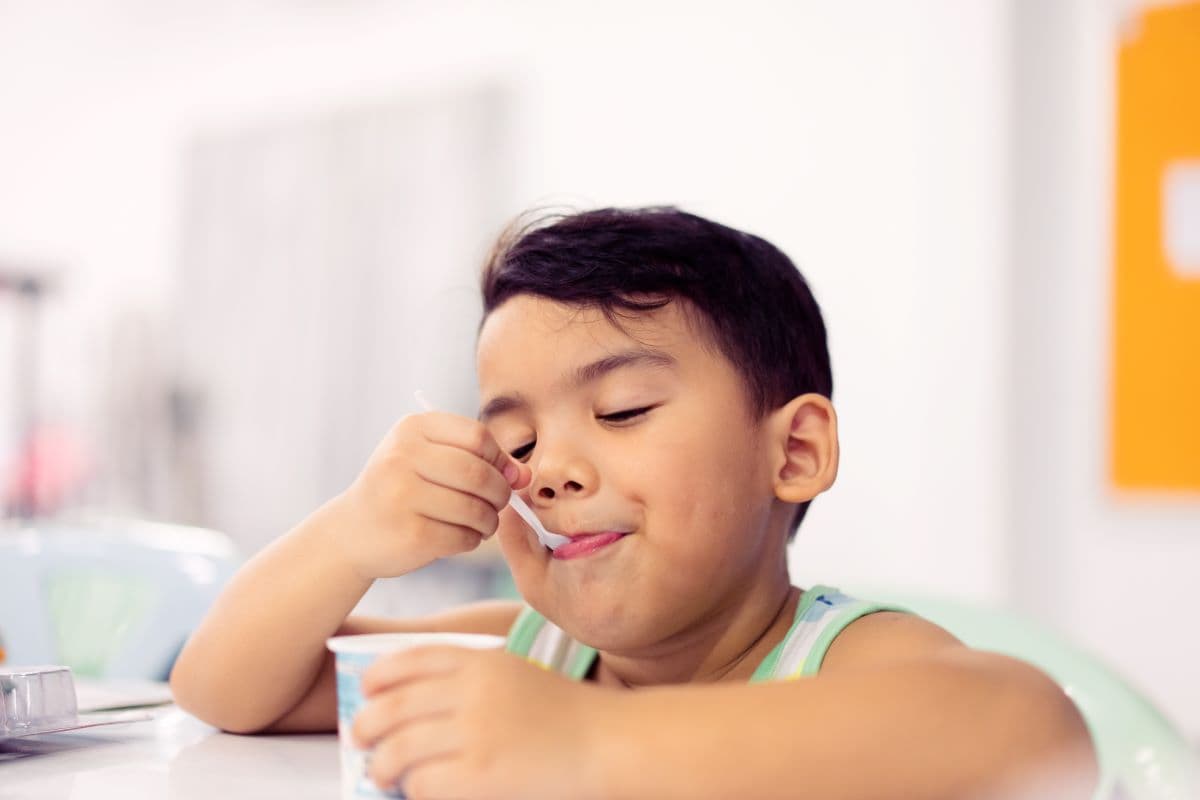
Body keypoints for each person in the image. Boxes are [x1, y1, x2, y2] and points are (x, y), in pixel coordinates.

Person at [170, 207, 1097, 799]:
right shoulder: (532, 653)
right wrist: (348, 537)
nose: (548, 472)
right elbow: (231, 691)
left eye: (621, 411)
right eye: (519, 440)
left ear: (796, 452)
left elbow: (1034, 729)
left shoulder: (836, 658)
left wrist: (591, 745)